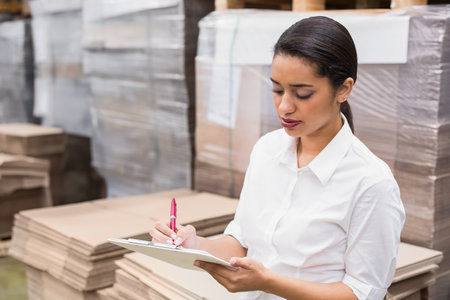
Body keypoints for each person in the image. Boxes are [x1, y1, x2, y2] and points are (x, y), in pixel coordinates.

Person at [150, 16, 405, 300]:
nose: (284, 106)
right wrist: (191, 243)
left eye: (303, 94)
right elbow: (243, 244)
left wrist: (269, 283)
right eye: (277, 89)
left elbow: (362, 293)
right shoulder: (267, 151)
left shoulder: (371, 183)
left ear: (343, 89)